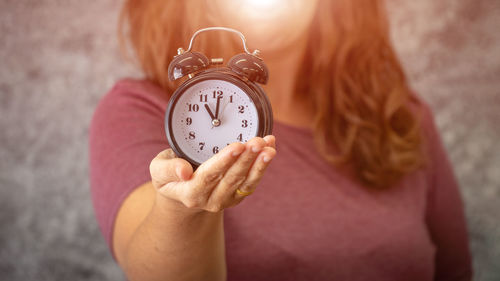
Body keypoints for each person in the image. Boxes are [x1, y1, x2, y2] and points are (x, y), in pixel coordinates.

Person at [89, 0, 472, 280]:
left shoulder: (398, 118)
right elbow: (152, 269)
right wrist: (185, 209)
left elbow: (456, 271)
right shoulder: (140, 111)